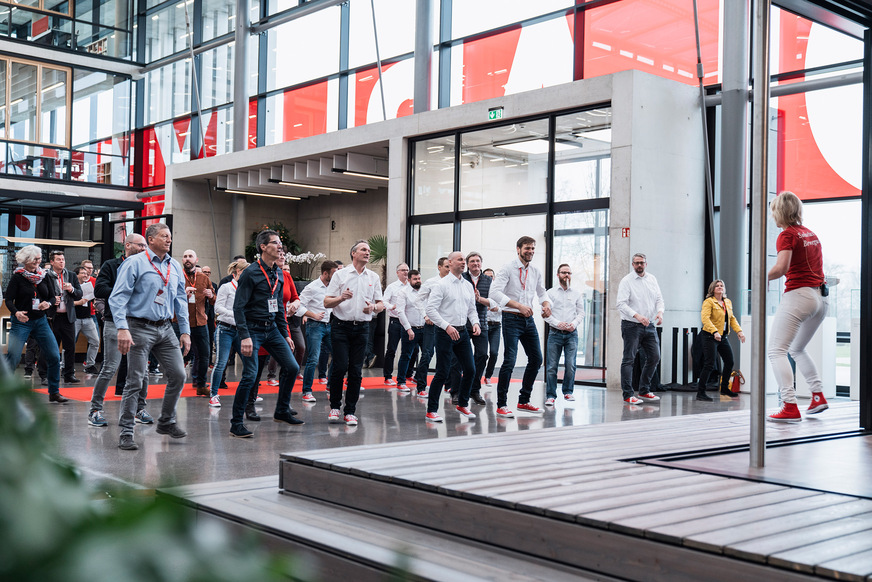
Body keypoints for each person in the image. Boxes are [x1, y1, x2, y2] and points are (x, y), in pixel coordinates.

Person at [109, 223, 191, 450]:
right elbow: (117, 298)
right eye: (164, 236)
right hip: (138, 327)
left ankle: (166, 421)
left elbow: (181, 300)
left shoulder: (174, 266)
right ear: (151, 239)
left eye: (170, 237)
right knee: (135, 381)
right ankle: (126, 432)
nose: (169, 240)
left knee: (178, 375)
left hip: (165, 328)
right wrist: (122, 328)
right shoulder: (134, 263)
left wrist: (185, 331)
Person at [231, 230, 303, 438]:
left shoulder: (278, 273)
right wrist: (244, 336)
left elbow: (279, 307)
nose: (280, 246)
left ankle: (281, 410)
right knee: (250, 374)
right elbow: (238, 307)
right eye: (275, 243)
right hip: (251, 330)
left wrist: (285, 334)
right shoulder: (250, 273)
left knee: (291, 366)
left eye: (280, 243)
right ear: (263, 247)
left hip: (271, 329)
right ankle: (236, 423)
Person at [767, 191, 829, 422]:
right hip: (820, 299)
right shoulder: (810, 234)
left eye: (774, 211)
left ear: (779, 212)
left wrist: (759, 276)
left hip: (799, 296)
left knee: (776, 351)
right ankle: (817, 396)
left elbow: (781, 268)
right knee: (796, 349)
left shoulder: (787, 235)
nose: (773, 217)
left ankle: (790, 406)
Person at [88, 234, 152, 428]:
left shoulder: (147, 266)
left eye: (145, 246)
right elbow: (99, 290)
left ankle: (140, 409)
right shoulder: (111, 265)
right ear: (127, 245)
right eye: (140, 245)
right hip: (115, 321)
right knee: (109, 367)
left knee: (144, 371)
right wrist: (125, 290)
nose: (143, 248)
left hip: (139, 323)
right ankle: (95, 410)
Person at [323, 240, 385, 426]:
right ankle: (335, 407)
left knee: (356, 371)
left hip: (362, 329)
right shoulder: (340, 275)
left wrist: (374, 307)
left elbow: (381, 304)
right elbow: (326, 302)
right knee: (340, 366)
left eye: (368, 250)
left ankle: (350, 411)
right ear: (354, 254)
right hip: (341, 326)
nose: (368, 252)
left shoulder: (373, 277)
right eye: (363, 249)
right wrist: (341, 297)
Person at [490, 236, 552, 417]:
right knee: (509, 360)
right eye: (527, 248)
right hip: (511, 318)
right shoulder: (508, 268)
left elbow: (542, 293)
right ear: (518, 249)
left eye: (533, 248)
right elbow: (493, 292)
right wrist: (518, 306)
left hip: (529, 320)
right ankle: (501, 404)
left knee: (536, 359)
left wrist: (546, 305)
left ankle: (524, 400)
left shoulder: (535, 271)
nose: (530, 251)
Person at [3, 245, 67, 402]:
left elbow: (53, 297)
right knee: (14, 357)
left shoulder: (44, 276)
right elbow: (9, 300)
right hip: (21, 321)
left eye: (39, 259)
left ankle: (54, 392)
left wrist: (49, 304)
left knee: (53, 355)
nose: (38, 262)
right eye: (35, 259)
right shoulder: (17, 277)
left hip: (40, 321)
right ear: (26, 261)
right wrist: (16, 312)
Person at [424, 252, 481, 422]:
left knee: (470, 370)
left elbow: (472, 308)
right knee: (442, 371)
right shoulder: (441, 285)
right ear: (450, 263)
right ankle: (431, 410)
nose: (464, 262)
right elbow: (430, 310)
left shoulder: (468, 285)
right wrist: (446, 326)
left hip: (462, 332)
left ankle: (463, 404)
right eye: (460, 260)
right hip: (444, 333)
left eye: (464, 260)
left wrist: (476, 323)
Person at [616, 253, 664, 405]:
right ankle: (628, 394)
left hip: (649, 324)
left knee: (655, 356)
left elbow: (659, 298)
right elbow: (621, 304)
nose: (639, 265)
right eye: (636, 263)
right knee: (629, 359)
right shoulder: (626, 281)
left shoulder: (652, 279)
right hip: (631, 325)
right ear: (632, 264)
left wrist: (660, 312)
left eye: (641, 263)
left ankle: (644, 390)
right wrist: (637, 316)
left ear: (646, 264)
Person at [694, 280, 746, 401]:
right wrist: (714, 331)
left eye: (721, 285)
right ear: (712, 289)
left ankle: (724, 388)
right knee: (709, 363)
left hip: (722, 336)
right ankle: (700, 392)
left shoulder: (727, 302)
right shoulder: (709, 302)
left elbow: (731, 318)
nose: (719, 287)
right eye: (717, 286)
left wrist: (739, 331)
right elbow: (705, 318)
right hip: (709, 336)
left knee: (729, 361)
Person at [295, 260, 338, 402]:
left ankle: (330, 386)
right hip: (315, 325)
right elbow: (298, 307)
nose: (336, 275)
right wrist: (312, 315)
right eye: (334, 273)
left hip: (330, 325)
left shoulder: (334, 287)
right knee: (313, 358)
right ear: (325, 273)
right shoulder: (312, 287)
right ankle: (307, 391)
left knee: (338, 356)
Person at [208, 259, 249, 408]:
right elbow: (218, 308)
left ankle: (251, 393)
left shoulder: (247, 289)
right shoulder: (226, 287)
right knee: (221, 362)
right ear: (238, 272)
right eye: (246, 272)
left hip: (241, 330)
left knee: (249, 361)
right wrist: (236, 315)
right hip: (225, 329)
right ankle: (213, 395)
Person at [543, 264, 585, 406]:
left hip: (572, 334)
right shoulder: (550, 293)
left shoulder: (576, 293)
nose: (566, 275)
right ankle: (550, 395)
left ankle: (568, 392)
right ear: (558, 274)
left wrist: (573, 324)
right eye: (563, 272)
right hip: (555, 333)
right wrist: (557, 323)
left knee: (571, 365)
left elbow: (581, 313)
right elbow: (545, 315)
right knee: (551, 367)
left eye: (569, 273)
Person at [455, 252, 493, 405]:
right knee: (456, 359)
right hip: (462, 324)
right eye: (472, 261)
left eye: (478, 261)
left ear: (481, 264)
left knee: (482, 355)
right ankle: (456, 391)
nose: (475, 264)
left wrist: (480, 299)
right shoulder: (461, 278)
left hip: (481, 323)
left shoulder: (488, 280)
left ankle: (474, 390)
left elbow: (493, 302)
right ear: (467, 264)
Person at [41, 250, 83, 384]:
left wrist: (71, 290)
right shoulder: (45, 276)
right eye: (58, 259)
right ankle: (45, 375)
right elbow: (41, 294)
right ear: (52, 262)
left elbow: (79, 294)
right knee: (49, 346)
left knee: (70, 347)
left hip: (68, 316)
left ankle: (69, 374)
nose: (62, 262)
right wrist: (52, 300)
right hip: (52, 317)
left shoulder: (70, 275)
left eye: (63, 259)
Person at [413, 257, 449, 395]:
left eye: (449, 266)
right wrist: (425, 315)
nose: (449, 269)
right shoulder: (431, 282)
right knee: (427, 354)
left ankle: (448, 385)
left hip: (447, 325)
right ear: (439, 267)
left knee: (448, 355)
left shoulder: (453, 283)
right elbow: (418, 300)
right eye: (446, 266)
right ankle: (421, 387)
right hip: (432, 324)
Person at [181, 249, 215, 395]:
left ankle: (201, 385)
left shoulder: (203, 278)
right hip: (181, 322)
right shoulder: (177, 276)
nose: (187, 259)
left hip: (200, 322)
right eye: (185, 256)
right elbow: (169, 296)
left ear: (196, 259)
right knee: (178, 354)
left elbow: (214, 300)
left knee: (204, 354)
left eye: (190, 256)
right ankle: (175, 385)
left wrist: (211, 295)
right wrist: (184, 293)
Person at [396, 270, 425, 395]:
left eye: (419, 278)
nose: (418, 281)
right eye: (415, 279)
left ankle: (419, 379)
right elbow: (400, 312)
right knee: (406, 355)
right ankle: (401, 382)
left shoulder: (425, 291)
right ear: (409, 280)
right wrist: (408, 328)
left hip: (424, 328)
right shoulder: (403, 293)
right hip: (410, 328)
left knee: (427, 355)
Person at [382, 263, 409, 385]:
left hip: (408, 322)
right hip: (395, 321)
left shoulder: (412, 287)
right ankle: (388, 376)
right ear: (397, 272)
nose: (405, 272)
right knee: (392, 349)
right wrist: (392, 307)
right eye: (403, 270)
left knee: (408, 350)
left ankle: (407, 375)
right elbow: (384, 301)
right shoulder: (392, 287)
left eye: (407, 270)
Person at [73, 266, 101, 375]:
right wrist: (78, 302)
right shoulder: (72, 287)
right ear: (77, 275)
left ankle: (89, 365)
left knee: (95, 341)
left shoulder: (88, 286)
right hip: (75, 318)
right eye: (83, 273)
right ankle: (66, 366)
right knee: (70, 343)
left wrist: (95, 304)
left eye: (86, 273)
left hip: (88, 318)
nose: (86, 275)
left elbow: (93, 299)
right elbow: (67, 303)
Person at [482, 268, 501, 385]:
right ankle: (477, 374)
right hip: (484, 325)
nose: (490, 279)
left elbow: (506, 307)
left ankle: (488, 375)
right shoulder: (482, 291)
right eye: (487, 276)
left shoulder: (499, 291)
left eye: (491, 276)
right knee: (482, 354)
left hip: (496, 326)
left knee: (494, 353)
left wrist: (497, 308)